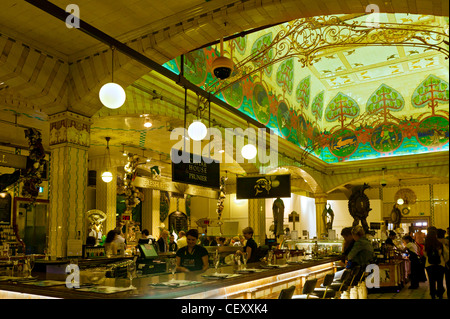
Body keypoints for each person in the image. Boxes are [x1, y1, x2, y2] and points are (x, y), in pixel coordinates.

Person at [424, 230, 447, 299]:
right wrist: (444, 261)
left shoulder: (426, 245)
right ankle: (440, 295)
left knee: (431, 281)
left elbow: (425, 254)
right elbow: (446, 254)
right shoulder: (439, 244)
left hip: (429, 265)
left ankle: (433, 295)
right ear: (435, 235)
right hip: (440, 265)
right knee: (440, 281)